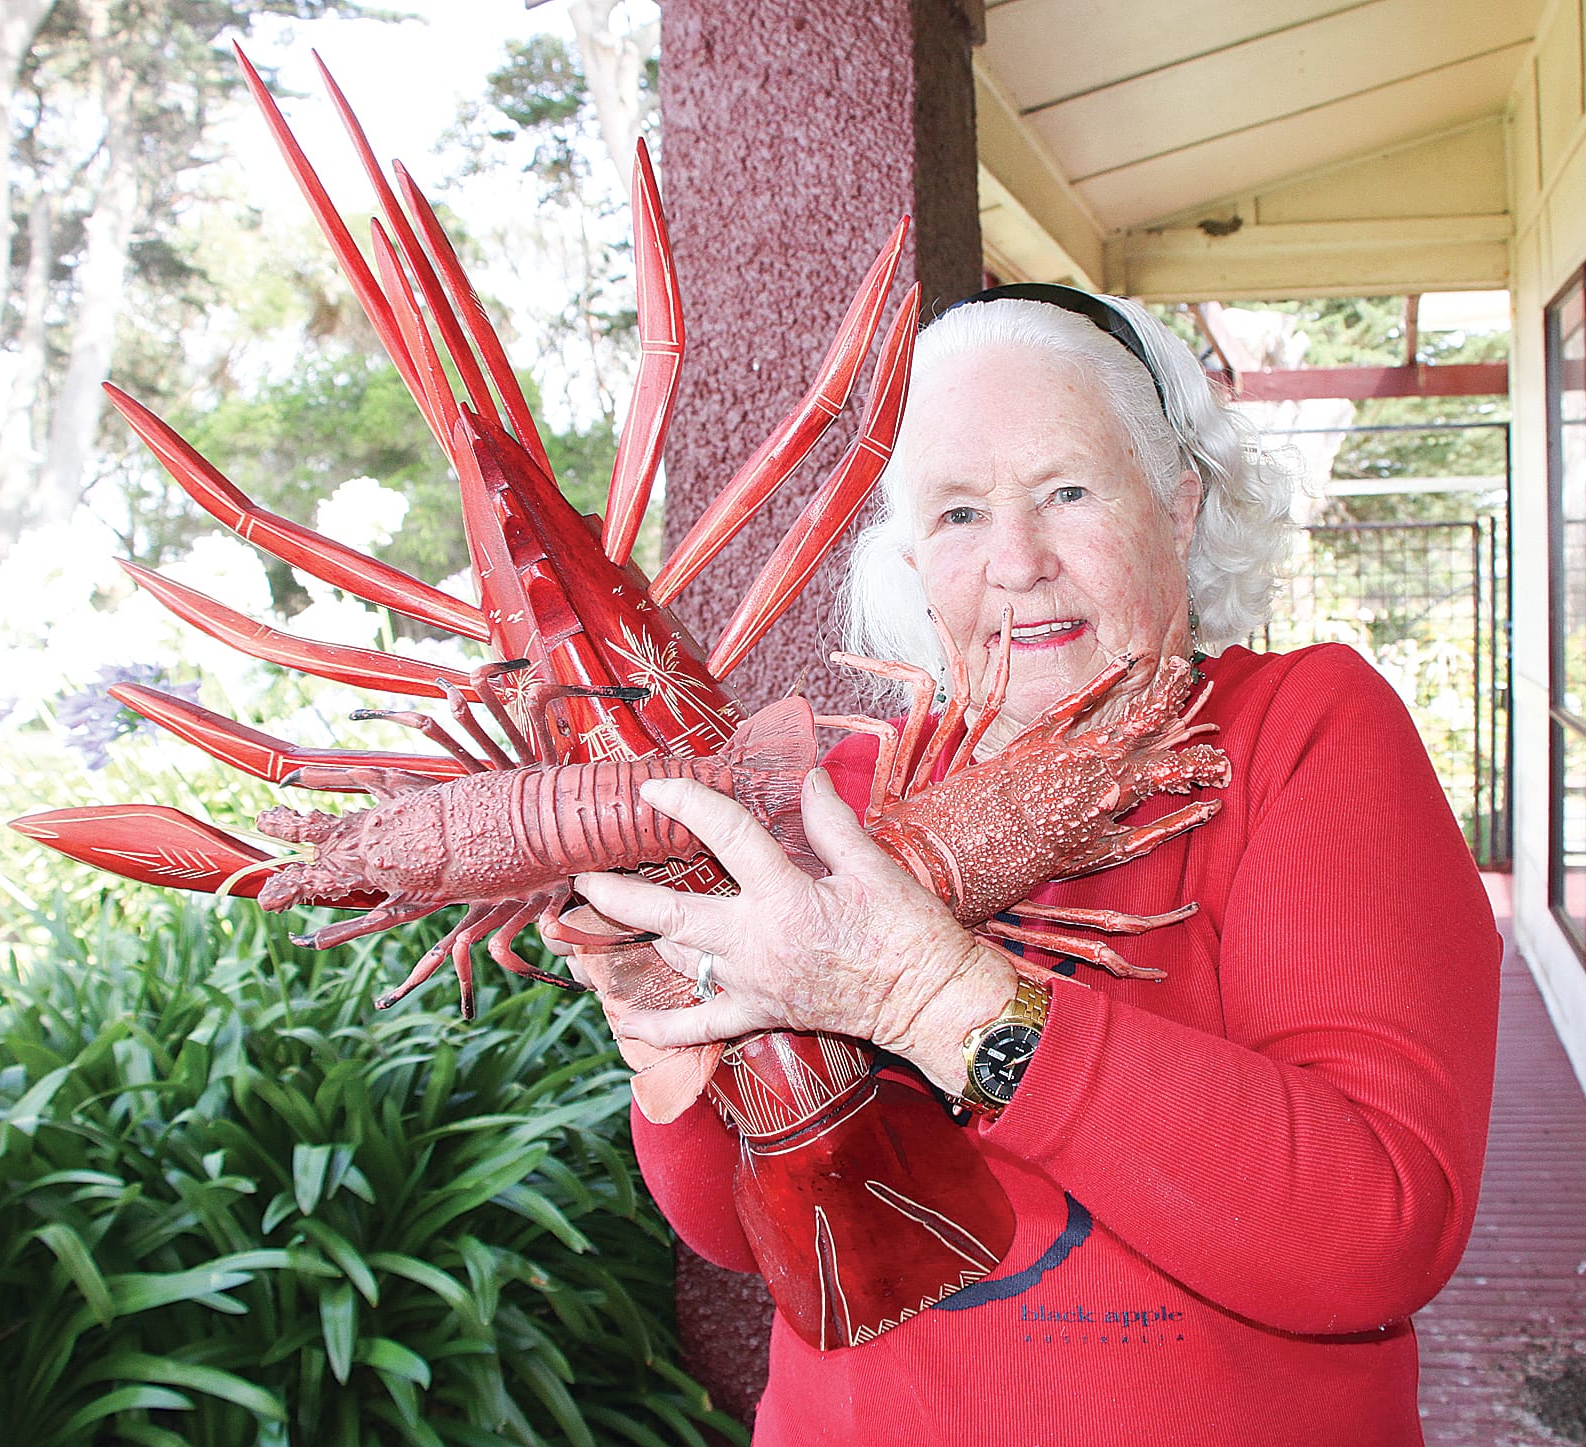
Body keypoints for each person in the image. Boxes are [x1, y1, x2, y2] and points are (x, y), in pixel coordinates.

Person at [568, 286, 1502, 1444]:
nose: (1015, 560)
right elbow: (735, 1230)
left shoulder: (1297, 730)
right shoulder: (831, 801)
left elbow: (1377, 1229)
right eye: (957, 514)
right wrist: (660, 1025)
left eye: (1066, 491)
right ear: (908, 558)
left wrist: (926, 999)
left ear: (1179, 502)